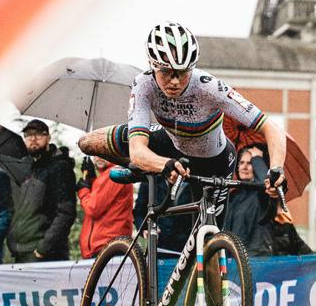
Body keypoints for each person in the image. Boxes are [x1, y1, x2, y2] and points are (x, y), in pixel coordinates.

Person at [78, 22, 287, 216]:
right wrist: (160, 164)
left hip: (215, 161)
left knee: (209, 242)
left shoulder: (209, 87)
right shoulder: (144, 84)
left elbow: (271, 128)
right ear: (152, 64)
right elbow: (136, 148)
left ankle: (152, 167)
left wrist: (276, 168)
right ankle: (144, 170)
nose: (175, 81)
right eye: (167, 72)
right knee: (87, 143)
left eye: (183, 72)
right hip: (171, 144)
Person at [6, 119, 76, 262]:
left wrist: (44, 247)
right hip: (22, 253)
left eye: (39, 134)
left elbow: (66, 212)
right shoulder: (30, 168)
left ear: (48, 137)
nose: (33, 138)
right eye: (28, 135)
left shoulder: (60, 167)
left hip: (44, 255)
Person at [76, 156, 134, 259]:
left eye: (102, 152)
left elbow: (93, 209)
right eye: (95, 153)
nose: (98, 157)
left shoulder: (114, 173)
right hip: (106, 247)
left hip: (107, 247)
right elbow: (102, 199)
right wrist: (92, 180)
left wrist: (83, 190)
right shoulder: (106, 176)